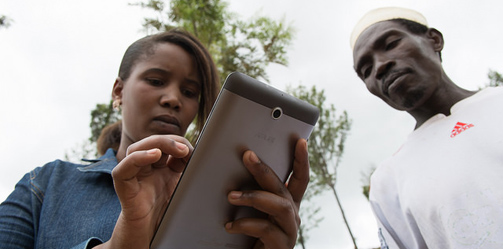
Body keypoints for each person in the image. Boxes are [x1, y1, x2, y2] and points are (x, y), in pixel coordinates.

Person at [0, 29, 310, 249]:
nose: (174, 99)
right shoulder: (46, 184)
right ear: (118, 91)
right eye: (156, 80)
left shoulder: (227, 206)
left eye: (190, 92)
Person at [351, 7, 503, 249]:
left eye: (391, 44)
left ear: (434, 40)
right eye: (366, 71)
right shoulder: (388, 181)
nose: (379, 67)